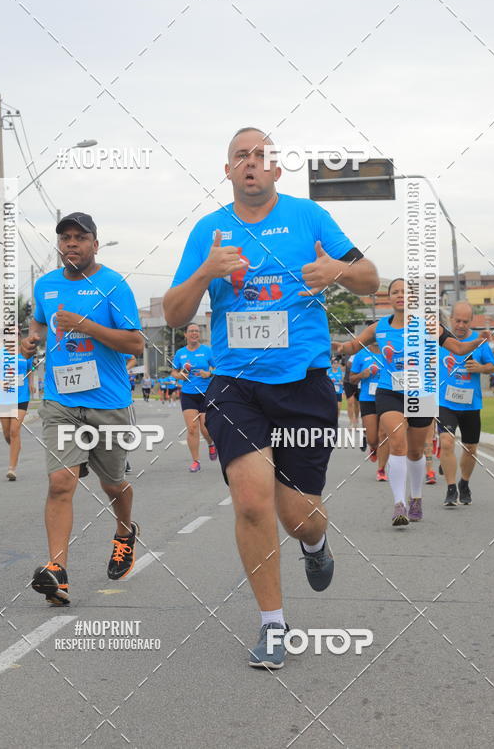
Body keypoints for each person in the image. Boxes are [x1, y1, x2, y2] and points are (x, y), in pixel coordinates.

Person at [163, 127, 379, 669]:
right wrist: (206, 273)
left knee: (299, 515)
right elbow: (172, 315)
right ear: (228, 170)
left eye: (262, 156)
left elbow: (371, 278)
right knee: (252, 500)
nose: (252, 164)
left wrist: (338, 270)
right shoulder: (209, 232)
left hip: (304, 384)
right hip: (236, 386)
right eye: (242, 156)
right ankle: (273, 625)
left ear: (277, 170)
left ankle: (314, 544)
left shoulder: (310, 218)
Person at [21, 213, 144, 606]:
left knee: (113, 484)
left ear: (95, 243)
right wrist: (31, 340)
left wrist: (87, 326)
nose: (71, 244)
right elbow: (39, 324)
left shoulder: (113, 285)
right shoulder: (46, 286)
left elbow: (136, 344)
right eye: (65, 238)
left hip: (108, 402)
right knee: (61, 483)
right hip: (61, 402)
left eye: (80, 237)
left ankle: (125, 533)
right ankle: (57, 571)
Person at [336, 279, 492, 526]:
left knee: (416, 451)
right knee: (397, 442)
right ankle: (400, 504)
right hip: (390, 391)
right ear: (390, 298)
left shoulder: (429, 326)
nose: (400, 295)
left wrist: (478, 341)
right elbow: (353, 345)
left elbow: (459, 348)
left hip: (421, 393)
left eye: (405, 292)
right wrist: (337, 346)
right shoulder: (379, 327)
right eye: (395, 292)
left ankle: (416, 497)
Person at [438, 302, 494, 507]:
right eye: (457, 320)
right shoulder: (440, 339)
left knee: (470, 447)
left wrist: (480, 368)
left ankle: (464, 483)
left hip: (471, 403)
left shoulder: (479, 341)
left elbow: (492, 367)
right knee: (446, 441)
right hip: (444, 402)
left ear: (471, 321)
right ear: (451, 318)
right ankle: (451, 488)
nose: (461, 325)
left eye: (465, 321)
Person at [0, 330, 35, 481]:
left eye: (15, 334)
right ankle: (16, 445)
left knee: (15, 430)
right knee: (7, 434)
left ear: (19, 337)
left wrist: (31, 384)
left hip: (21, 397)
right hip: (4, 396)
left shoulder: (25, 353)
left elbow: (30, 369)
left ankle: (12, 469)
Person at [171, 322, 216, 471]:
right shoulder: (180, 353)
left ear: (199, 334)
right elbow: (174, 372)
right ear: (186, 334)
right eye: (191, 331)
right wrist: (181, 376)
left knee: (205, 427)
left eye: (196, 331)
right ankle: (196, 461)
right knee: (191, 428)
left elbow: (218, 367)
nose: (194, 333)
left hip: (205, 393)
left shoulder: (207, 351)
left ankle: (211, 444)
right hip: (188, 394)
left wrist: (208, 373)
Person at [349, 342, 383, 471]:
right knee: (372, 438)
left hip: (387, 397)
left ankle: (382, 468)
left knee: (384, 433)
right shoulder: (361, 354)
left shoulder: (389, 350)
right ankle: (373, 447)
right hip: (368, 398)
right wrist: (361, 375)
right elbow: (351, 379)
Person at [343, 356, 360, 428]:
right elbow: (342, 367)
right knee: (350, 402)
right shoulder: (346, 356)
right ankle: (351, 421)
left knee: (357, 403)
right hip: (347, 381)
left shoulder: (360, 355)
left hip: (357, 381)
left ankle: (356, 419)